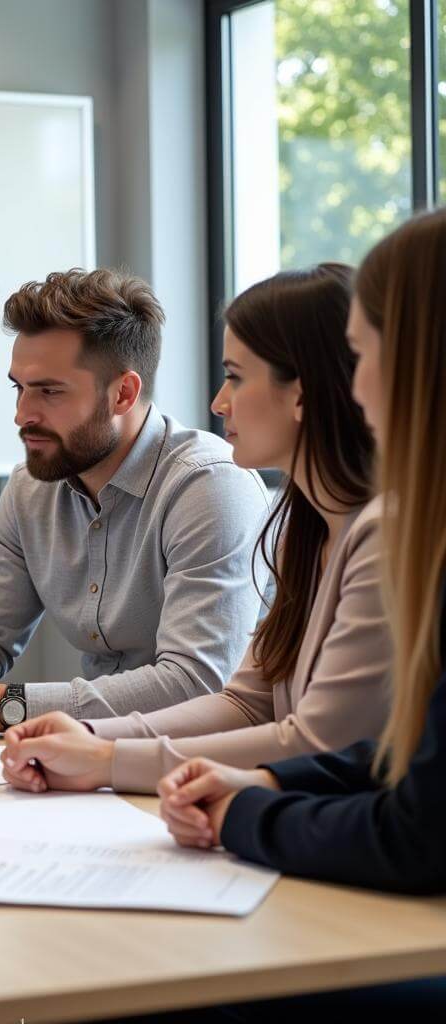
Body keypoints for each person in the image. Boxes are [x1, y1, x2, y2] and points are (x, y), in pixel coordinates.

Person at [154, 209, 446, 1019]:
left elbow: (412, 827)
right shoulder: (312, 527)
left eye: (362, 355)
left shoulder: (401, 533)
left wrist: (248, 806)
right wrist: (265, 781)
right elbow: (395, 760)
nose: (356, 385)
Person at [0, 264, 389, 795]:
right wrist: (91, 740)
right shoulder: (304, 521)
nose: (218, 402)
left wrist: (108, 759)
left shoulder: (377, 536)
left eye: (235, 375)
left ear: (301, 393)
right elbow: (246, 703)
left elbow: (315, 743)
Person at [0, 268, 271, 737]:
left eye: (49, 391)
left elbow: (196, 683)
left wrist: (11, 705)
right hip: (92, 756)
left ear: (123, 393)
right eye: (19, 388)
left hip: (203, 759)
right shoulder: (31, 487)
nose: (22, 415)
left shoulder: (210, 488)